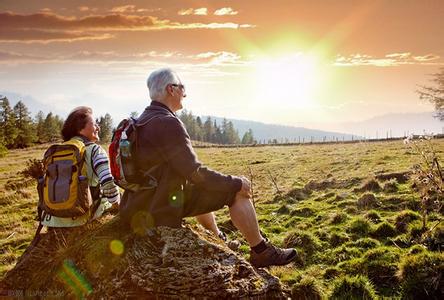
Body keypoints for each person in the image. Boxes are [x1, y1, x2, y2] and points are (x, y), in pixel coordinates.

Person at [120, 68, 297, 268]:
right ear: (171, 89)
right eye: (182, 87)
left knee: (202, 188)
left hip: (137, 204)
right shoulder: (168, 123)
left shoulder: (141, 120)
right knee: (237, 192)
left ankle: (217, 237)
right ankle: (261, 251)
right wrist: (235, 182)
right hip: (159, 207)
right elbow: (194, 173)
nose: (184, 93)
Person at [41, 106, 120, 228]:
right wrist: (118, 206)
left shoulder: (57, 151)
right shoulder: (95, 150)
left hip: (54, 219)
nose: (98, 127)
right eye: (94, 124)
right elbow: (108, 184)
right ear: (80, 128)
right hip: (83, 218)